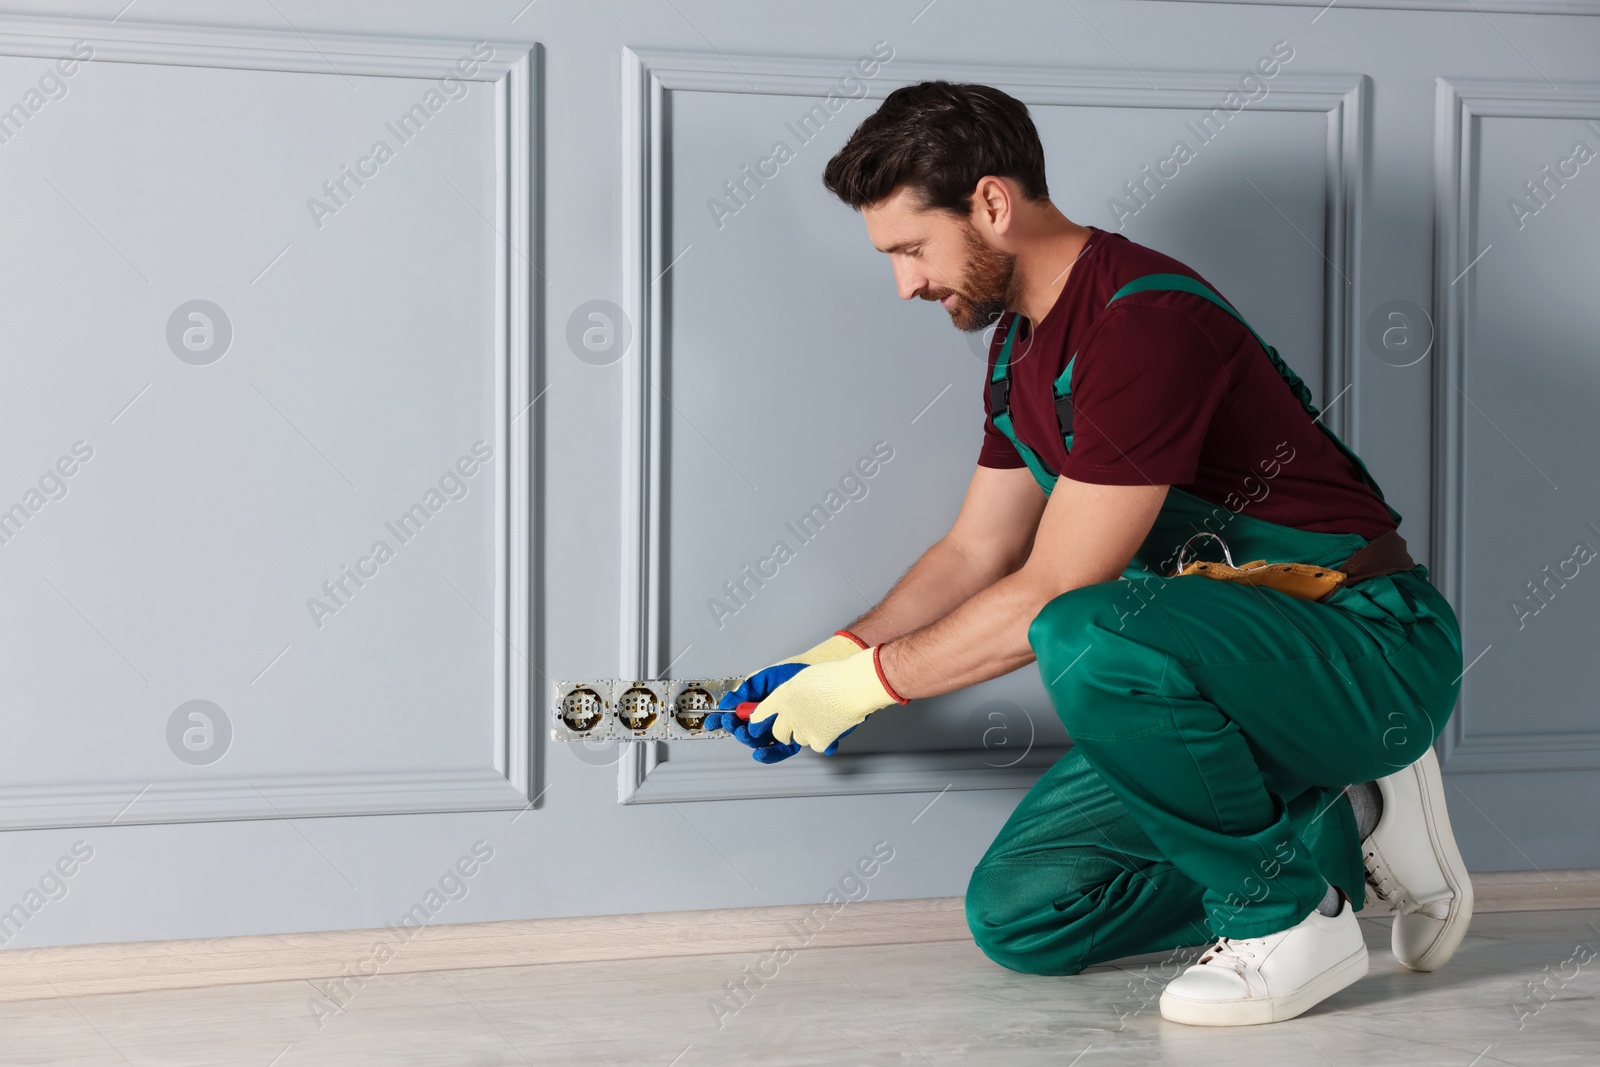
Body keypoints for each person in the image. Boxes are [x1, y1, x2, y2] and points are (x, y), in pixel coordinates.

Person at [704, 81, 1471, 1027]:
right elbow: (975, 547)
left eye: (911, 248)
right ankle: (1346, 820)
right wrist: (827, 663)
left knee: (1085, 625)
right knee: (1023, 917)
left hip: (1365, 647)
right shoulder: (1019, 349)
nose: (905, 283)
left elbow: (1062, 585)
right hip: (1220, 676)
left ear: (991, 204)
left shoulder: (1143, 320)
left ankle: (1285, 922)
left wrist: (869, 687)